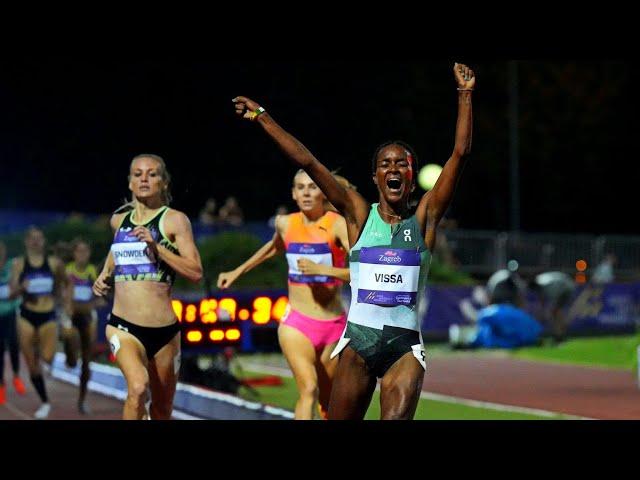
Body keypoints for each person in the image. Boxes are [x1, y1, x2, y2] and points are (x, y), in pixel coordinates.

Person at [232, 61, 475, 419]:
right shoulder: (359, 216)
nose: (394, 169)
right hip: (358, 342)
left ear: (412, 176)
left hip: (404, 347)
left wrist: (465, 94)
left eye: (402, 164)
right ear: (375, 177)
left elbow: (460, 154)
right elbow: (311, 164)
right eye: (385, 164)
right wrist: (263, 118)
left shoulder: (425, 218)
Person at [217, 170, 351, 419]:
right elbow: (272, 249)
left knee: (328, 401)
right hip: (297, 323)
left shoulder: (338, 225)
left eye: (312, 187)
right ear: (293, 193)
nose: (306, 192)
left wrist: (323, 270)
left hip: (333, 325)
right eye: (300, 188)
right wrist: (237, 271)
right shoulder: (285, 223)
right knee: (308, 388)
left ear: (322, 191)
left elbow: (361, 271)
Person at [92, 154, 203, 420]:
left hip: (165, 333)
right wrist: (104, 274)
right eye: (138, 174)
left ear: (164, 183)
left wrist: (158, 248)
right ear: (129, 182)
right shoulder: (118, 220)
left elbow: (196, 272)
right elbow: (115, 250)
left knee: (162, 409)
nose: (144, 178)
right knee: (138, 387)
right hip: (123, 326)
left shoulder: (175, 221)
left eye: (152, 174)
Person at [9, 226, 68, 419]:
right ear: (26, 242)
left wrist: (63, 305)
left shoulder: (53, 263)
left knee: (48, 358)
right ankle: (45, 402)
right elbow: (11, 293)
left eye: (39, 238)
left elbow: (64, 285)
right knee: (32, 366)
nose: (35, 241)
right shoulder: (19, 264)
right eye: (32, 238)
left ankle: (47, 363)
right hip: (26, 314)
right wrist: (21, 287)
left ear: (44, 242)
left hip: (48, 314)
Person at [61, 238, 101, 414]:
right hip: (71, 314)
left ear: (89, 254)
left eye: (86, 251)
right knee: (72, 357)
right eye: (79, 251)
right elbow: (63, 294)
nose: (82, 255)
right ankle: (69, 353)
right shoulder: (68, 270)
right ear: (74, 253)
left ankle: (82, 399)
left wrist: (98, 299)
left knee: (86, 361)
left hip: (86, 315)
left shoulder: (92, 270)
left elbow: (97, 294)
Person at [0, 241, 26, 405]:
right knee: (0, 350)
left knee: (15, 344)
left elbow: (23, 262)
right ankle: (1, 384)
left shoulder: (11, 265)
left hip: (11, 312)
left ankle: (16, 376)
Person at [530, 271, 576, 343]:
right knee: (554, 313)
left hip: (566, 287)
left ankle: (560, 333)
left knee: (555, 312)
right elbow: (542, 301)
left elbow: (553, 301)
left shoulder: (546, 286)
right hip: (564, 284)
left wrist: (547, 313)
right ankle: (559, 332)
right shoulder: (541, 283)